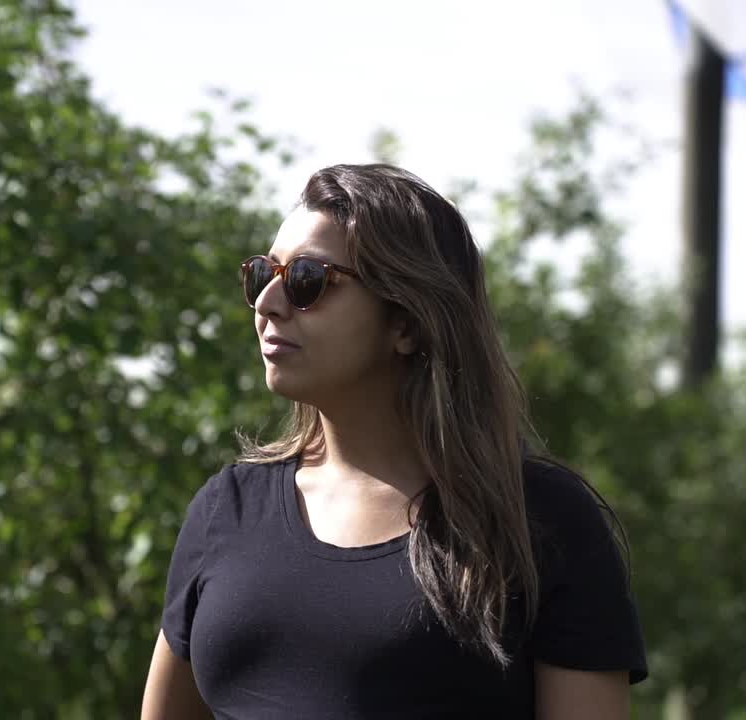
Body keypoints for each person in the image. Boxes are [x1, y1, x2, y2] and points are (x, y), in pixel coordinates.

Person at [141, 164, 646, 719]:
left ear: (406, 323)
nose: (267, 302)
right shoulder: (227, 509)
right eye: (262, 274)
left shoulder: (539, 520)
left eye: (307, 280)